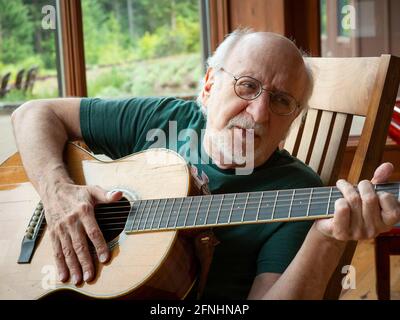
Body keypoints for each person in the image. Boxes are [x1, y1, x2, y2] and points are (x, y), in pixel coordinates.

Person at [11, 29, 400, 299]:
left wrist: (326, 238)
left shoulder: (301, 195)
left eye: (282, 101)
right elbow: (33, 113)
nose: (260, 112)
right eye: (247, 85)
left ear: (291, 122)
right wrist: (57, 192)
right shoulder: (166, 119)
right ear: (210, 85)